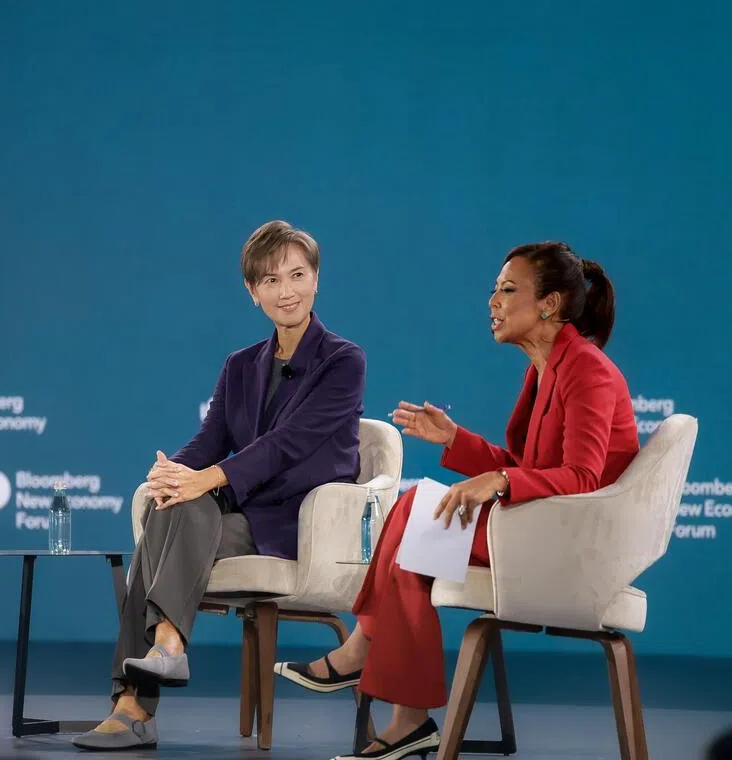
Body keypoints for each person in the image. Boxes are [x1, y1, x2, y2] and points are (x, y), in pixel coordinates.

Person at [276, 241, 639, 760]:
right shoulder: (545, 369)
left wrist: (498, 479)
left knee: (415, 513)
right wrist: (455, 442)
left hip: (573, 544)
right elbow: (527, 467)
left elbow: (579, 475)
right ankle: (401, 709)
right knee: (415, 513)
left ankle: (378, 674)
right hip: (542, 526)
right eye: (494, 289)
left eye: (507, 290)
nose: (492, 301)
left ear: (550, 304)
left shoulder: (588, 371)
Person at [72, 220, 366, 750]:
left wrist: (203, 479)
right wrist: (170, 472)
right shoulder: (240, 365)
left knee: (178, 513)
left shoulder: (343, 361)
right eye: (271, 281)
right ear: (253, 292)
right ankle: (165, 647)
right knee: (171, 506)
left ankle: (134, 704)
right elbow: (210, 439)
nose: (287, 291)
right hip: (239, 513)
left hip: (296, 523)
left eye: (298, 275)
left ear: (316, 280)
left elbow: (290, 443)